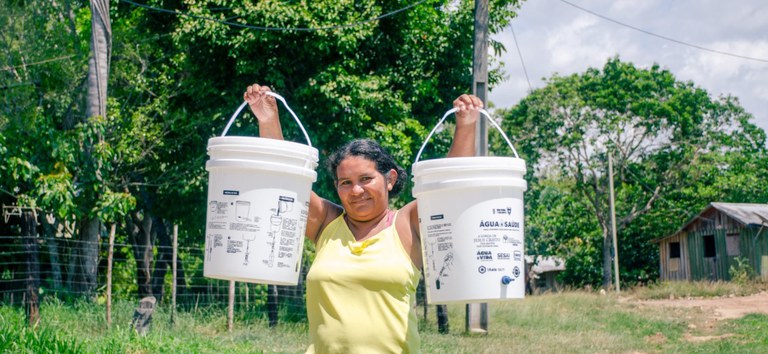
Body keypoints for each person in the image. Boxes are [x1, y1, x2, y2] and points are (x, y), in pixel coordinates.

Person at [244, 84, 482, 354]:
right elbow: (284, 183)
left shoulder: (406, 225)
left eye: (366, 179)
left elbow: (447, 191)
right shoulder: (326, 224)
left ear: (390, 179)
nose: (356, 191)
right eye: (345, 182)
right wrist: (268, 119)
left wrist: (466, 126)